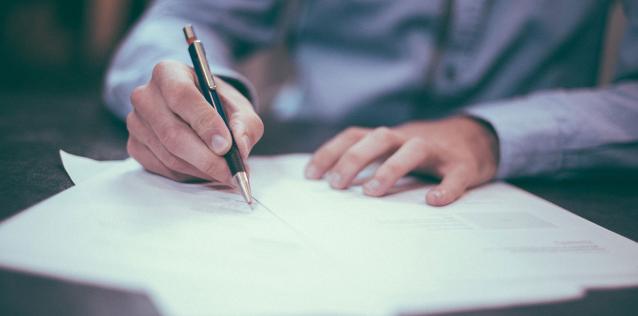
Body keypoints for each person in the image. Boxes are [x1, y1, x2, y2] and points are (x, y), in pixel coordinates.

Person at [104, 1, 638, 206]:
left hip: (543, 185)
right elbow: (187, 18)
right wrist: (200, 94)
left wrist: (490, 133)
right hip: (313, 165)